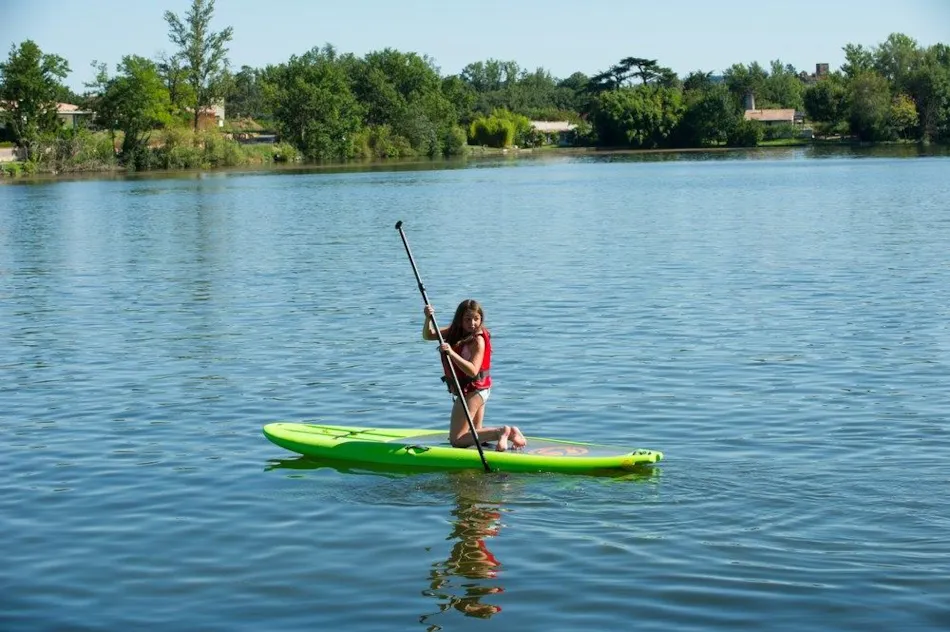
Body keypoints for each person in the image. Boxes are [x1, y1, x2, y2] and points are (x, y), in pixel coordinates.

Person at [423, 300, 526, 451]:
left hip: (474, 390)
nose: (472, 323)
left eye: (476, 319)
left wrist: (451, 353)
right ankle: (511, 434)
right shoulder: (455, 331)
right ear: (460, 320)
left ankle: (500, 432)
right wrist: (428, 318)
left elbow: (473, 370)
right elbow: (428, 335)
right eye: (467, 319)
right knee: (475, 435)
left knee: (457, 440)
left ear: (481, 319)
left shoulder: (478, 340)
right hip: (477, 390)